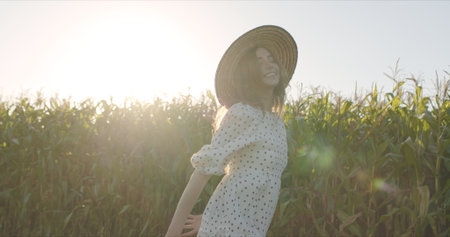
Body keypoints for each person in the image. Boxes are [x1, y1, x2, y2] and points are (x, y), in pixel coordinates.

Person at [165, 25, 298, 237]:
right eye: (259, 62)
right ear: (248, 73)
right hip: (228, 229)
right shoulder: (243, 114)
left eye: (271, 59)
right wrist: (172, 234)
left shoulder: (277, 124)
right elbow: (202, 172)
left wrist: (209, 217)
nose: (268, 65)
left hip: (251, 230)